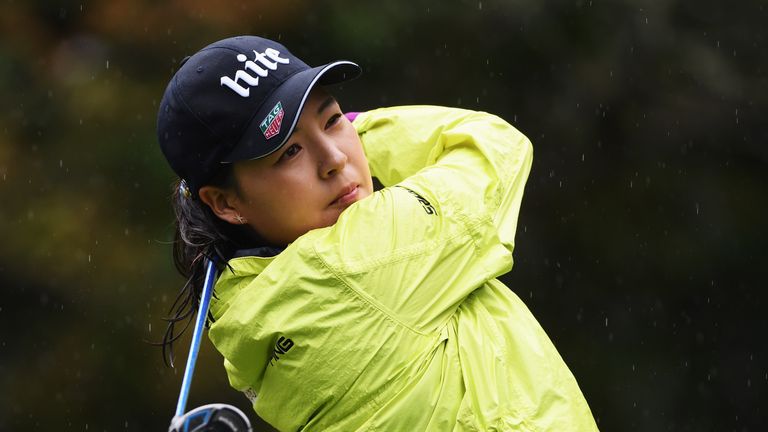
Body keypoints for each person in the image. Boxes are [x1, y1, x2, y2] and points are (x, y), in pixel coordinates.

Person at [157, 35, 598, 431]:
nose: (334, 158)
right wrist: (360, 129)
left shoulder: (253, 309)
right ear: (226, 203)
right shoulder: (355, 262)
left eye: (331, 121)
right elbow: (492, 147)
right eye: (288, 150)